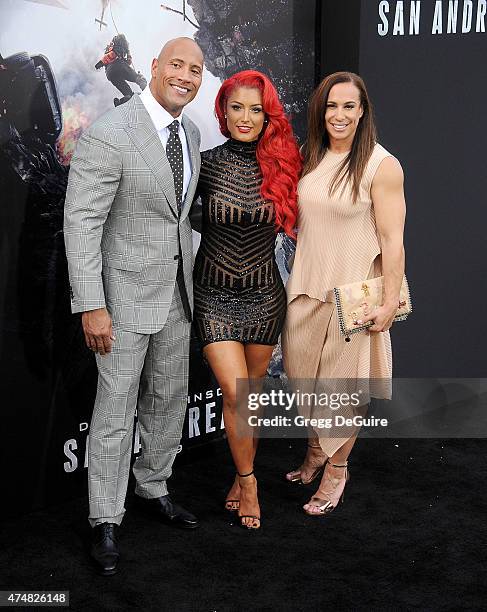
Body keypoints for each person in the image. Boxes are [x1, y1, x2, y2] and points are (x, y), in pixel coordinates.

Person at [64, 37, 204, 575]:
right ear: (152, 67)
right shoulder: (110, 132)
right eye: (176, 65)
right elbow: (81, 225)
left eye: (195, 70)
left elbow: (178, 217)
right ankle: (105, 517)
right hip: (119, 303)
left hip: (176, 295)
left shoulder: (188, 133)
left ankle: (153, 486)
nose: (186, 77)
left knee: (169, 400)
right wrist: (91, 305)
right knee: (115, 410)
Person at [282, 71, 406, 516]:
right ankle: (317, 450)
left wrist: (389, 301)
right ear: (322, 110)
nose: (339, 114)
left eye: (349, 106)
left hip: (353, 294)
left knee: (341, 392)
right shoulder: (310, 156)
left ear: (362, 111)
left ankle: (337, 468)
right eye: (332, 105)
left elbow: (393, 241)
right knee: (302, 379)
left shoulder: (381, 165)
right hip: (304, 289)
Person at [193, 70, 301, 529]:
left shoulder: (283, 166)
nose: (245, 117)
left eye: (255, 109)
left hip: (263, 298)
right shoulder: (205, 164)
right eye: (237, 107)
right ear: (223, 110)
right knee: (236, 394)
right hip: (213, 295)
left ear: (267, 116)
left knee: (250, 397)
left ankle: (241, 477)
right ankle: (250, 480)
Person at [95, 33, 147, 107]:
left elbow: (109, 58)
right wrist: (128, 53)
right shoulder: (117, 49)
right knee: (137, 77)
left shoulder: (110, 50)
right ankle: (145, 88)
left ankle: (126, 99)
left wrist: (101, 63)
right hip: (118, 65)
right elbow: (114, 56)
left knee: (126, 91)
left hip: (110, 74)